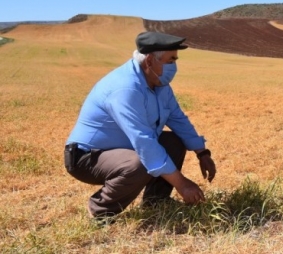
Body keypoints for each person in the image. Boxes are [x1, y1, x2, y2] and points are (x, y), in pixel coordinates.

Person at [64, 31, 216, 220]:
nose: (174, 66)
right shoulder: (125, 89)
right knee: (139, 163)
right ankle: (101, 210)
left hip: (122, 148)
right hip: (87, 157)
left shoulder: (159, 84)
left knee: (174, 141)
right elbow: (144, 142)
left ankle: (156, 200)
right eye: (171, 60)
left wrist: (202, 153)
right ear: (150, 61)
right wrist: (182, 184)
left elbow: (178, 119)